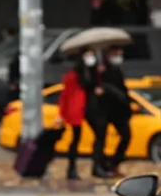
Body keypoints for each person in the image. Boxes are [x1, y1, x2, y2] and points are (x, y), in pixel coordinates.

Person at [86, 46, 131, 177]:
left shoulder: (116, 70)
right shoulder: (99, 70)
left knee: (126, 136)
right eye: (116, 52)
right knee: (100, 138)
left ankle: (112, 163)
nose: (120, 54)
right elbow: (91, 84)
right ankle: (98, 167)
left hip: (117, 111)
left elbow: (122, 88)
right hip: (102, 110)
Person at [55, 55, 89, 180]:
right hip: (76, 112)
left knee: (76, 140)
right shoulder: (73, 76)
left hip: (81, 110)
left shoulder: (88, 73)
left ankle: (72, 168)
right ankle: (71, 169)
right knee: (75, 140)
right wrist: (61, 114)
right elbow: (65, 96)